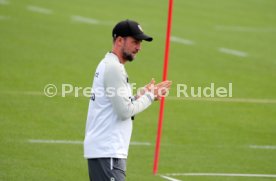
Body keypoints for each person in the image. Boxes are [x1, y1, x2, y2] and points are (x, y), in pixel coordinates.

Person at [84, 19, 172, 181]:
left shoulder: (109, 64)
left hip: (105, 151)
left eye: (140, 43)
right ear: (119, 41)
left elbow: (117, 103)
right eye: (135, 42)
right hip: (108, 152)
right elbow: (124, 111)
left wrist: (139, 96)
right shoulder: (114, 68)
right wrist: (150, 96)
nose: (139, 47)